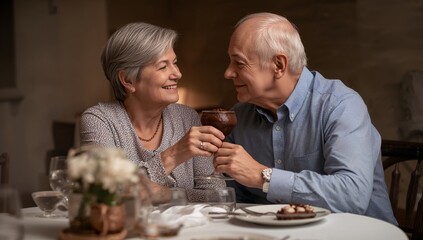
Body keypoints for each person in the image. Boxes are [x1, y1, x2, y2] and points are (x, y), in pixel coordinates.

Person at [214, 12, 397, 224]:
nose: (228, 73)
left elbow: (352, 196)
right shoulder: (240, 117)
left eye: (239, 63)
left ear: (279, 65)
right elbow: (233, 200)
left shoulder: (340, 105)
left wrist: (263, 176)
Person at [79, 22, 225, 202]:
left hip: (185, 230)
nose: (177, 74)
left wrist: (168, 195)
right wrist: (173, 155)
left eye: (175, 63)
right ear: (127, 80)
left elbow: (217, 195)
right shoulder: (100, 121)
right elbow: (105, 194)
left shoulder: (188, 117)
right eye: (163, 66)